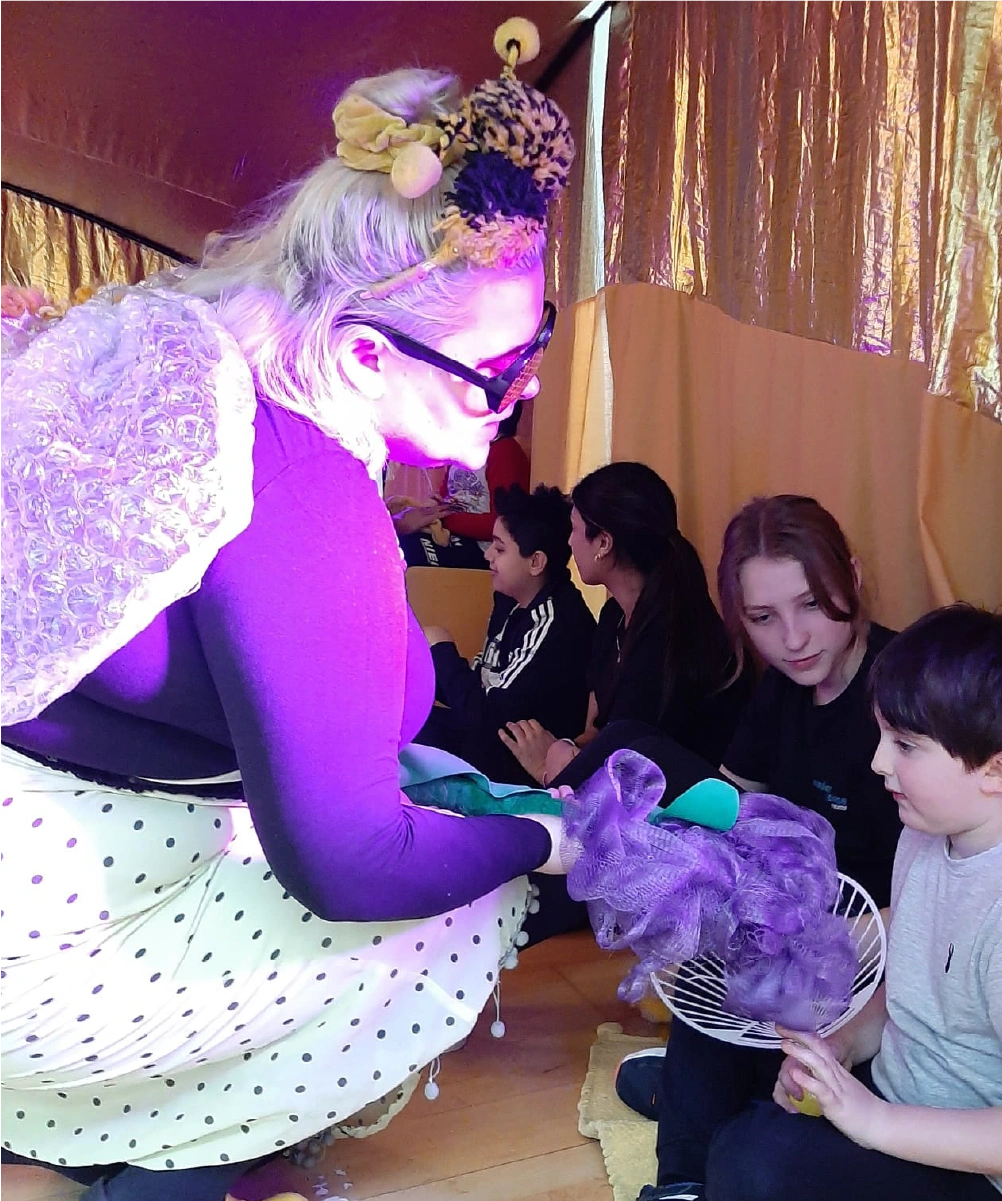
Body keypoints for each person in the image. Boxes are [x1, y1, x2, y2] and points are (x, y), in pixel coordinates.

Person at [0, 21, 573, 1201]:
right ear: (364, 353)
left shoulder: (169, 337)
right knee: (462, 908)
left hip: (52, 845)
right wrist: (555, 837)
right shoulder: (301, 486)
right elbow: (352, 864)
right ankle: (169, 1160)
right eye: (497, 374)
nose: (515, 407)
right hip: (46, 928)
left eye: (536, 353)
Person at [703, 605, 1002, 1201]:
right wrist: (840, 1045)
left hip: (999, 1180)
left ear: (1000, 770)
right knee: (723, 1014)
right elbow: (919, 994)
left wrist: (874, 1121)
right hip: (909, 1101)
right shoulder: (929, 834)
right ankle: (689, 1165)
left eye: (906, 745)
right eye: (884, 736)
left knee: (755, 1161)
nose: (879, 761)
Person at [620, 494, 903, 1199]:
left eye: (810, 604)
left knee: (758, 1132)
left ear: (853, 579)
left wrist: (838, 938)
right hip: (794, 941)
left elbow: (947, 889)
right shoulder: (779, 691)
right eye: (763, 618)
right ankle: (681, 1178)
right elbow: (726, 801)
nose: (794, 637)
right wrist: (644, 837)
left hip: (886, 955)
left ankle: (709, 1103)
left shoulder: (904, 692)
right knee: (711, 958)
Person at [501, 461, 750, 788]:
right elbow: (595, 731)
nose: (570, 543)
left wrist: (553, 770)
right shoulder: (614, 616)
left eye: (574, 530)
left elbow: (628, 768)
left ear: (603, 543)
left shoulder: (671, 636)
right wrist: (563, 752)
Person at [418, 483, 596, 783]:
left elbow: (485, 716)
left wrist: (441, 651)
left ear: (536, 562)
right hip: (488, 737)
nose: (488, 556)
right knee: (400, 719)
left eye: (499, 548)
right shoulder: (511, 600)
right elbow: (481, 685)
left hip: (516, 764)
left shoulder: (555, 622)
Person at [394, 400, 531, 568]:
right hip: (450, 533)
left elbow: (504, 524)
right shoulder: (466, 450)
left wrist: (444, 518)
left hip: (482, 550)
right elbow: (447, 497)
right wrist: (433, 507)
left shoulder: (505, 451)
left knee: (408, 552)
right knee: (394, 541)